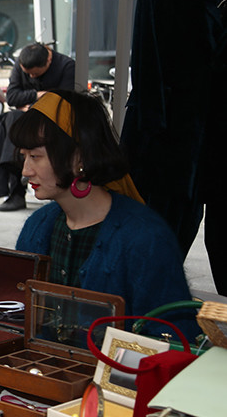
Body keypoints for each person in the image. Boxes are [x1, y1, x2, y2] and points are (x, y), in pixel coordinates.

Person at [11, 90, 196, 327]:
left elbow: (172, 335)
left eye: (35, 156)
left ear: (79, 158)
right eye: (23, 156)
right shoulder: (38, 226)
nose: (25, 170)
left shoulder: (145, 238)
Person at [0, 43, 75, 212]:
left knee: (16, 124)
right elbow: (12, 97)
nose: (32, 77)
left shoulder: (66, 66)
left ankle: (18, 180)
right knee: (2, 125)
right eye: (29, 74)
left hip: (54, 120)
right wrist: (38, 95)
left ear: (48, 61)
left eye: (36, 73)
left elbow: (64, 98)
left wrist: (33, 106)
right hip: (23, 120)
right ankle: (14, 182)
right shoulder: (22, 64)